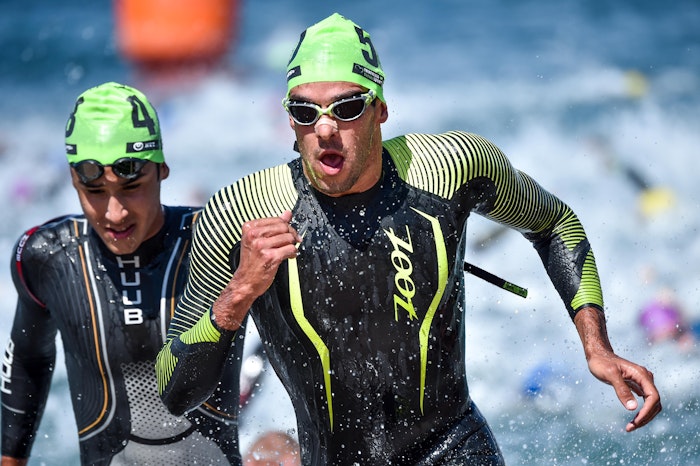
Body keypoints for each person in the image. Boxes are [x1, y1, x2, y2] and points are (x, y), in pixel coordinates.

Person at [156, 13, 662, 465]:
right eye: (306, 112)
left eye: (346, 108)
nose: (326, 129)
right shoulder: (240, 212)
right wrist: (238, 294)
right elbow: (174, 390)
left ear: (380, 109)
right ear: (291, 121)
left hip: (455, 450)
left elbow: (555, 223)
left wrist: (597, 347)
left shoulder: (450, 168)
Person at [1, 82, 242, 465]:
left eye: (132, 187)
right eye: (95, 191)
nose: (115, 213)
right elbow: (27, 365)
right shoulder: (48, 258)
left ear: (162, 169)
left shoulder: (219, 243)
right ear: (72, 179)